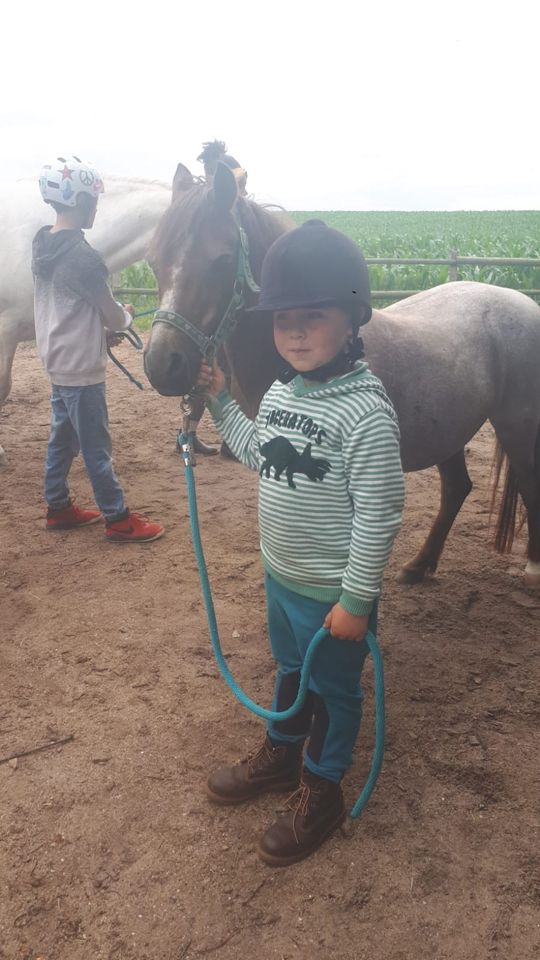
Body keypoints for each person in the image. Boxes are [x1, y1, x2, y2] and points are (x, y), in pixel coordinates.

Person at [197, 220, 405, 866]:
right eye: (282, 318)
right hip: (282, 577)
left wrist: (357, 598)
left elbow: (380, 512)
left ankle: (322, 786)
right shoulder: (286, 392)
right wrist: (220, 404)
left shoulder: (365, 413)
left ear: (350, 321)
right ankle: (282, 755)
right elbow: (262, 452)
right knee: (291, 670)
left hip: (332, 594)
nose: (291, 331)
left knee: (337, 692)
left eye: (310, 317)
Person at [32, 155, 164, 542]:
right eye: (92, 199)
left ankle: (57, 506)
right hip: (82, 369)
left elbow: (70, 308)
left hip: (56, 360)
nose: (95, 206)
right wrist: (123, 317)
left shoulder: (42, 244)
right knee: (95, 445)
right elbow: (110, 313)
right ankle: (118, 517)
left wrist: (99, 324)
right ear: (78, 200)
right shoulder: (85, 257)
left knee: (63, 437)